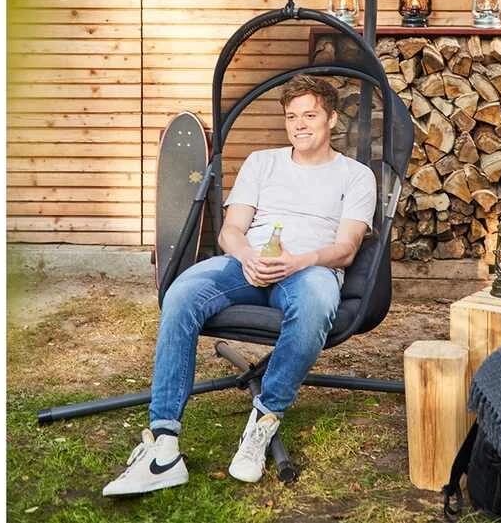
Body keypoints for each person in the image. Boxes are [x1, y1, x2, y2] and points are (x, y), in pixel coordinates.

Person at [102, 75, 377, 496]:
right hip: (247, 264)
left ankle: (264, 418)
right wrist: (248, 256)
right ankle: (164, 443)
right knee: (182, 293)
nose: (300, 125)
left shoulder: (355, 176)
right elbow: (231, 230)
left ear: (331, 119)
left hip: (308, 269)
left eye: (309, 115)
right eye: (292, 117)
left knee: (319, 302)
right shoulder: (262, 163)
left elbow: (346, 248)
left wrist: (298, 260)